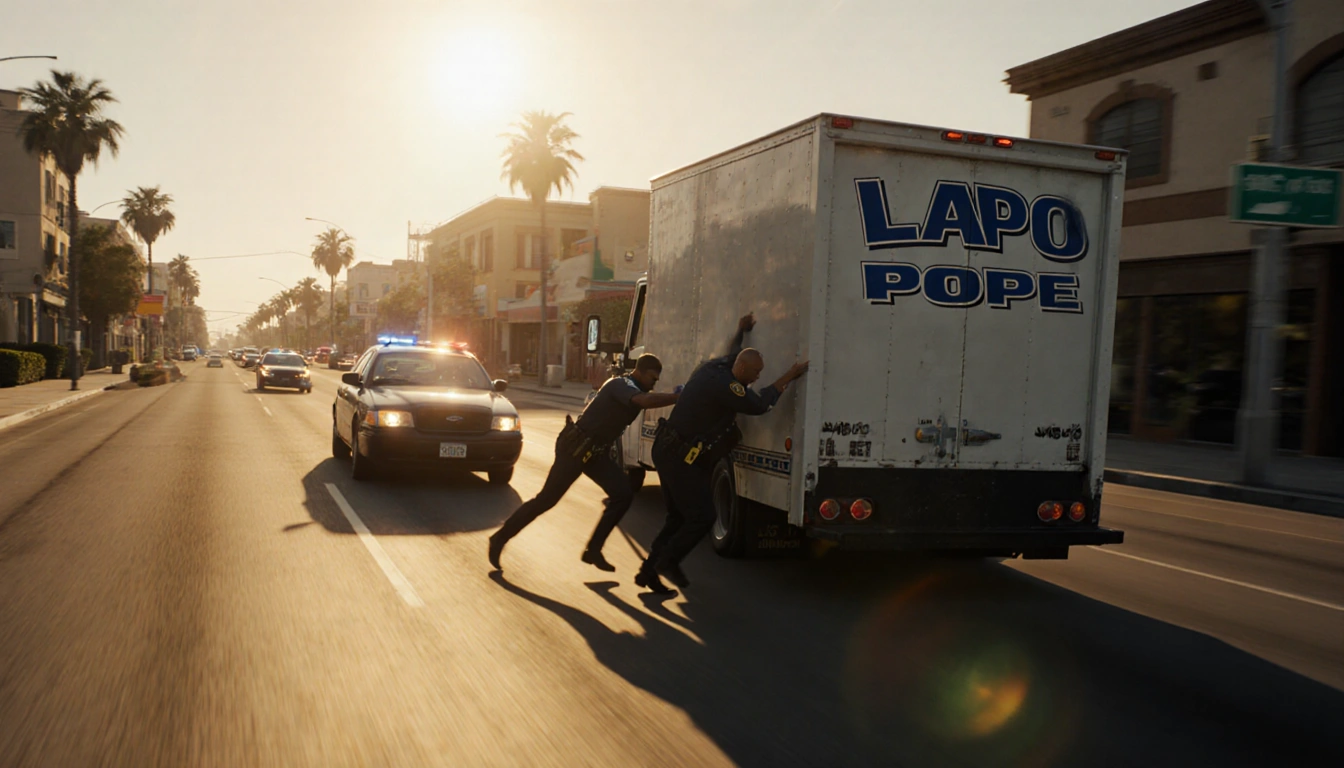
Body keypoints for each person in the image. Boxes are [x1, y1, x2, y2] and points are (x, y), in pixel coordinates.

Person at [635, 313, 809, 595]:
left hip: (668, 449)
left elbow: (733, 353)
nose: (757, 377)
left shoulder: (718, 367)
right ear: (741, 369)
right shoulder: (726, 386)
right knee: (702, 516)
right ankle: (666, 562)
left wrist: (741, 331)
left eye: (760, 373)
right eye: (755, 373)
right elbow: (759, 404)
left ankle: (648, 573)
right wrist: (789, 375)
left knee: (678, 518)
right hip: (678, 456)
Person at [489, 354, 679, 573]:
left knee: (623, 495)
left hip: (595, 453)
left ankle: (593, 550)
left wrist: (675, 395)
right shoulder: (620, 384)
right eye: (652, 378)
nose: (654, 383)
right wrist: (677, 397)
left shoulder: (636, 389)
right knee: (546, 500)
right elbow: (644, 402)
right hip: (574, 448)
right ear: (640, 372)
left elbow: (647, 397)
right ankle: (499, 539)